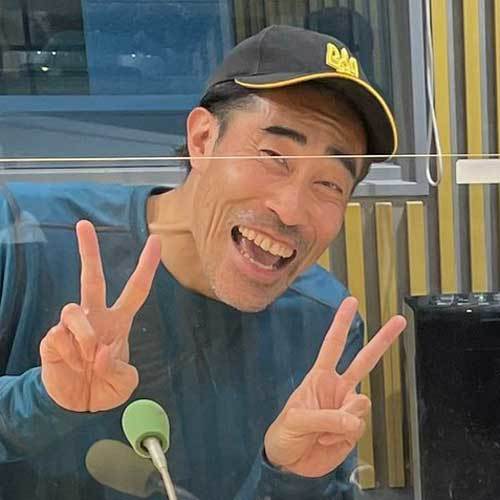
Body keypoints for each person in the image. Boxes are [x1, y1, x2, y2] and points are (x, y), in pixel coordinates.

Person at [0, 25, 405, 500]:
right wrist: (43, 400)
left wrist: (289, 476)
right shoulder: (26, 235)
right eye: (274, 156)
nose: (291, 210)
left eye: (330, 184)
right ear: (203, 139)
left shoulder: (321, 321)